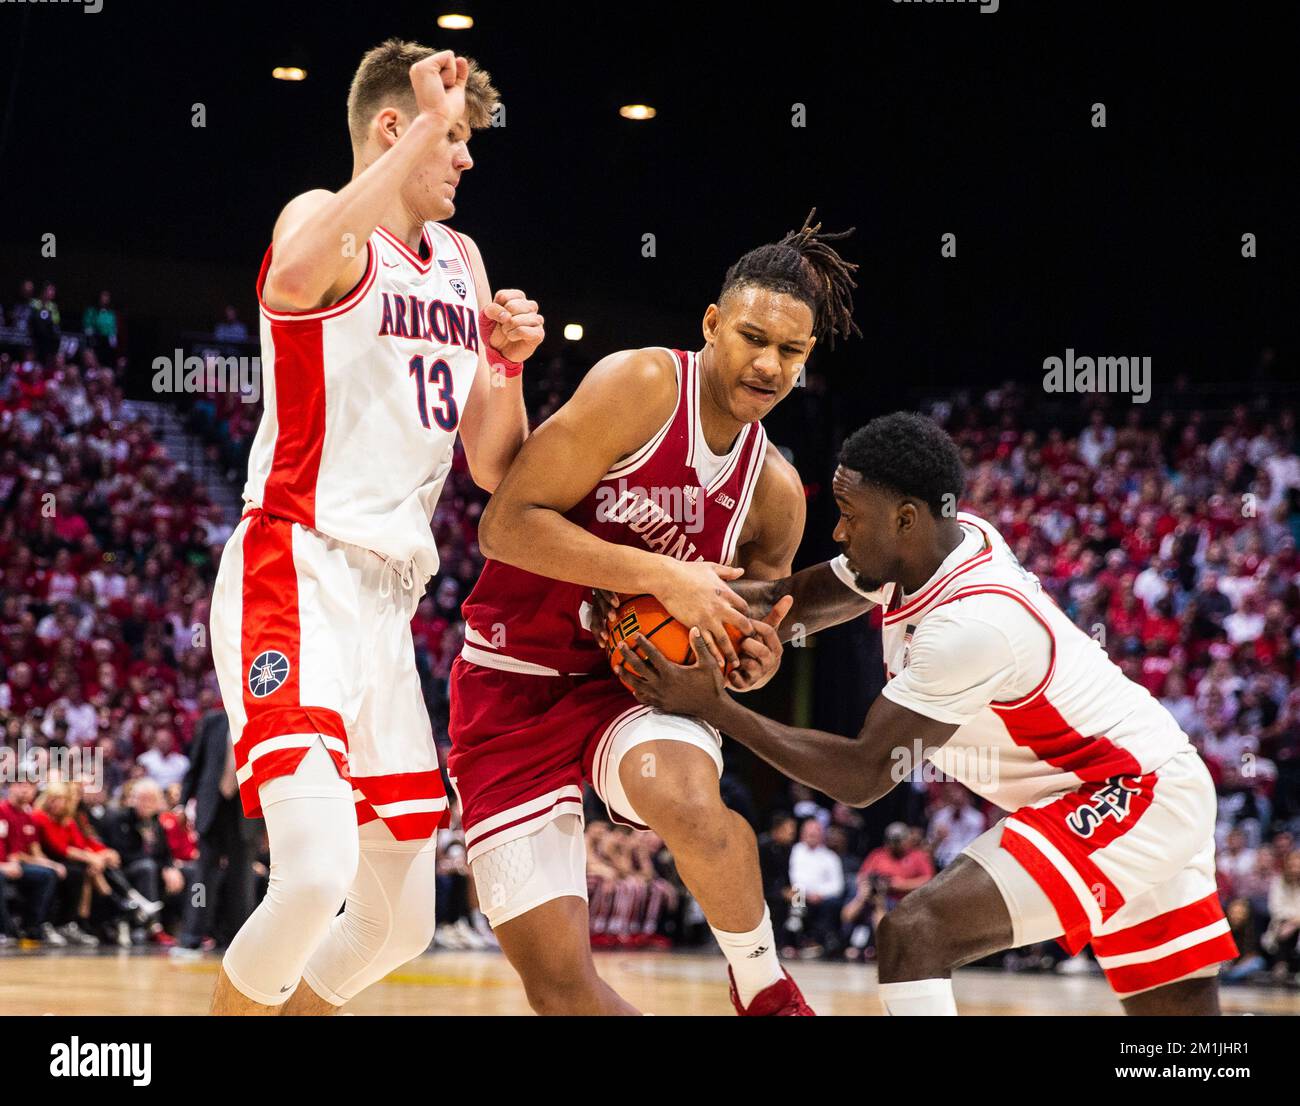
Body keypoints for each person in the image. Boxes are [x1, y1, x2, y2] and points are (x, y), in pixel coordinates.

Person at [617, 411, 1238, 1015]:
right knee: (1179, 1017)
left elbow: (863, 775)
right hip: (1143, 779)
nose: (838, 533)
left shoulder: (970, 625)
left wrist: (714, 705)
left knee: (915, 934)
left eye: (849, 518)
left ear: (906, 519)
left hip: (1132, 791)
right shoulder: (926, 548)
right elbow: (795, 601)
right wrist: (671, 590)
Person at [206, 39, 543, 1015]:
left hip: (388, 608)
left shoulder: (464, 260)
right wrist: (408, 148)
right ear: (394, 130)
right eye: (453, 138)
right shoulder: (325, 221)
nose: (467, 159)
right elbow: (289, 277)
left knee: (402, 919)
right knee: (313, 871)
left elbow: (492, 461)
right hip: (296, 566)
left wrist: (509, 362)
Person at [452, 213, 860, 1015]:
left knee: (684, 794)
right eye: (752, 338)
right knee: (562, 992)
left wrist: (754, 656)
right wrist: (665, 577)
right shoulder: (639, 386)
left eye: (792, 352)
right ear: (712, 325)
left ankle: (765, 989)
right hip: (512, 681)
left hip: (634, 690)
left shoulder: (775, 492)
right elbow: (504, 523)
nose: (769, 364)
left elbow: (752, 635)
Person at [179, 709, 258, 948]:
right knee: (202, 878)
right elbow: (196, 763)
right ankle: (191, 935)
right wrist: (182, 802)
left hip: (245, 809)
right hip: (212, 807)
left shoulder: (260, 720)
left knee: (242, 878)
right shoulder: (213, 721)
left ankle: (240, 940)